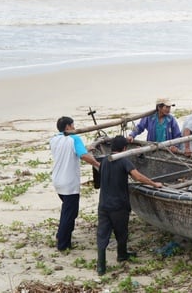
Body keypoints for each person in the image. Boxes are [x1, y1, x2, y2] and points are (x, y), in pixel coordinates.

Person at [96, 136, 163, 276]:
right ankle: (122, 254)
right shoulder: (123, 160)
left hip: (103, 203)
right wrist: (154, 184)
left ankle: (101, 266)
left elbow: (99, 181)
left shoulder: (104, 161)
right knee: (121, 232)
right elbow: (137, 177)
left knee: (103, 234)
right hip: (118, 204)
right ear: (125, 149)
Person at [50, 116, 100, 251]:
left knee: (67, 210)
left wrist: (86, 148)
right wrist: (98, 164)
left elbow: (71, 149)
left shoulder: (54, 139)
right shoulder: (74, 139)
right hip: (69, 182)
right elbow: (83, 155)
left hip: (57, 180)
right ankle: (63, 244)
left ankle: (61, 236)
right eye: (73, 125)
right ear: (67, 127)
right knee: (70, 213)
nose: (74, 127)